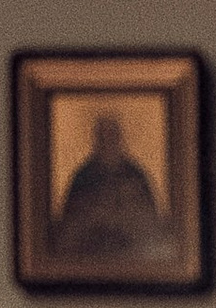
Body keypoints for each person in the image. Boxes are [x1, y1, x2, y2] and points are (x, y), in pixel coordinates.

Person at [50, 103, 173, 266]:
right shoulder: (83, 177)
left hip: (132, 258)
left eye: (112, 136)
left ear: (119, 138)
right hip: (89, 258)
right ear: (96, 140)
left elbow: (151, 224)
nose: (108, 142)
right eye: (103, 137)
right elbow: (68, 227)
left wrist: (126, 213)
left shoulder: (136, 175)